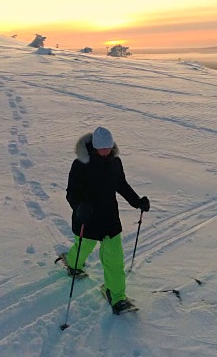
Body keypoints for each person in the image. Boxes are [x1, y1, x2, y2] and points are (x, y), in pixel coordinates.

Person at [63, 126, 150, 314]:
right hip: (87, 218)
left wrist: (137, 202)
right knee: (83, 248)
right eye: (103, 148)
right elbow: (71, 194)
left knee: (115, 260)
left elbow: (122, 185)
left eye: (109, 147)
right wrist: (79, 208)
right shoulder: (80, 165)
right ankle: (73, 264)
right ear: (94, 147)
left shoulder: (115, 163)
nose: (106, 151)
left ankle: (116, 295)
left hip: (110, 219)